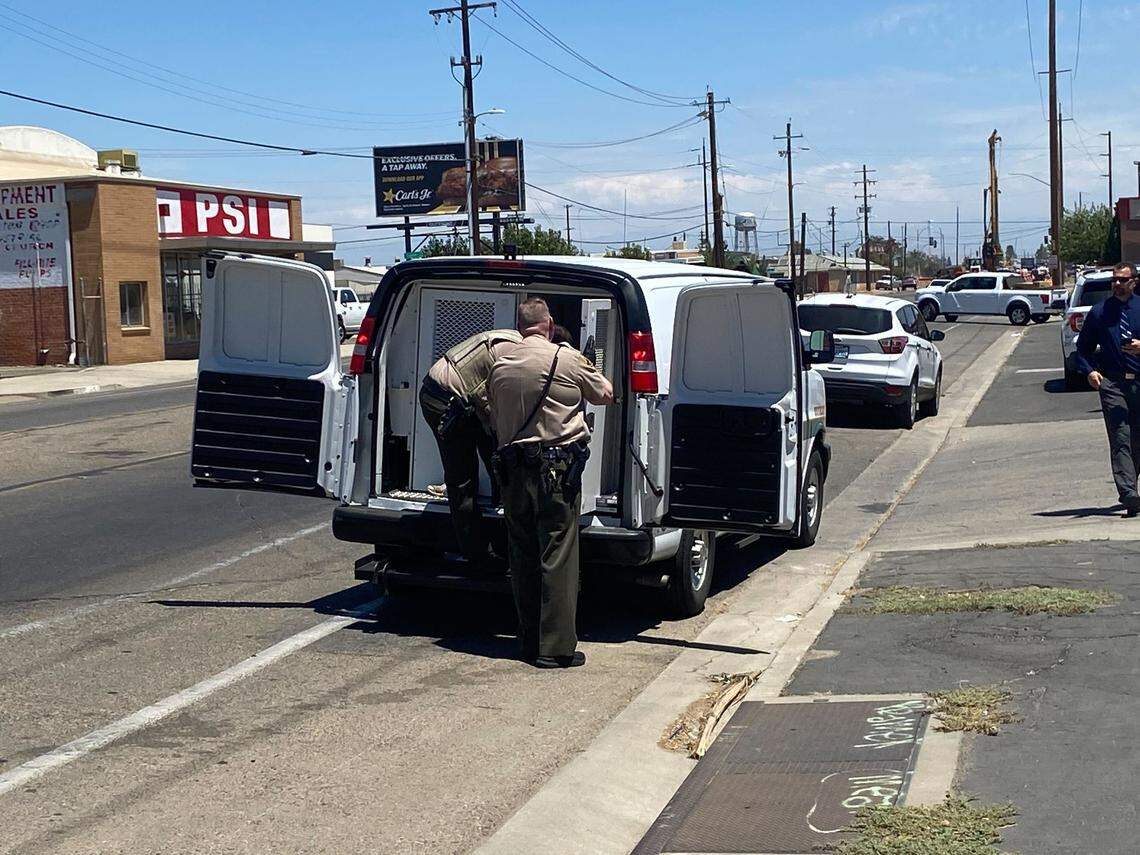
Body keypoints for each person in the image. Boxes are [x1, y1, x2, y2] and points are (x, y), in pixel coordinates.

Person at [487, 297, 614, 668]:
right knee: (557, 554)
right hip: (555, 471)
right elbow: (605, 393)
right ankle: (555, 648)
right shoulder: (565, 358)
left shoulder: (501, 364)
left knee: (522, 554)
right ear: (549, 323)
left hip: (512, 472)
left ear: (520, 325)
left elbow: (491, 413)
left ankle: (528, 640)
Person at [419, 327, 522, 560]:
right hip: (446, 400)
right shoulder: (515, 354)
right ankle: (476, 553)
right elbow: (489, 404)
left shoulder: (512, 341)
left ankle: (499, 511)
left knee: (493, 453)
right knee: (462, 478)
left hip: (454, 394)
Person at [1075, 261, 1140, 516]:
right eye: (1114, 280)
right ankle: (1129, 494)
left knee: (1137, 438)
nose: (1117, 284)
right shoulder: (1100, 312)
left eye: (1123, 280)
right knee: (1120, 435)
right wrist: (1090, 371)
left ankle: (1131, 487)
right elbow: (1083, 349)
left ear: (1134, 281)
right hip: (1113, 383)